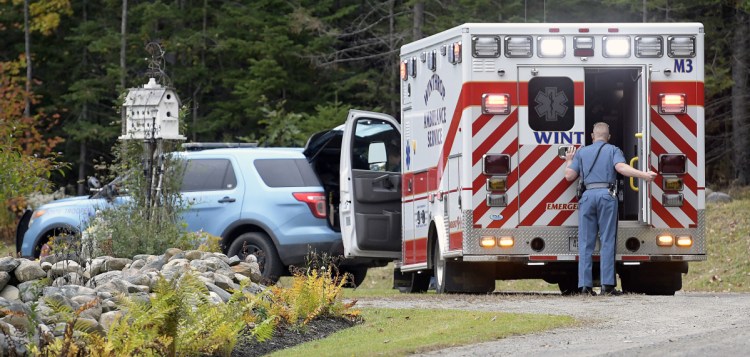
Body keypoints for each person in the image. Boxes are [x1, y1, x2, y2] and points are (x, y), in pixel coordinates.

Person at [564, 122, 657, 296]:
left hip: (587, 197)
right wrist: (643, 175)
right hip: (606, 197)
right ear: (609, 137)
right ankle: (607, 286)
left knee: (585, 243)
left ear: (592, 136)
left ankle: (585, 287)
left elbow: (569, 176)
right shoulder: (613, 150)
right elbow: (621, 168)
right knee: (607, 240)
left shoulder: (582, 152)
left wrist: (569, 161)